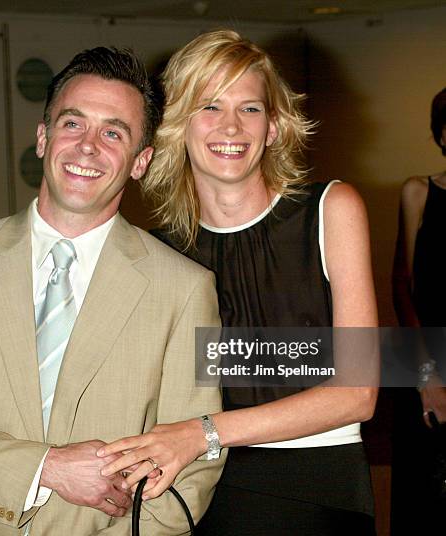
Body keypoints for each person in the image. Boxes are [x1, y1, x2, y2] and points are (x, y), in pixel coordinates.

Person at [0, 47, 225, 535]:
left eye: (113, 133)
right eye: (73, 124)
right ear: (43, 137)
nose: (87, 147)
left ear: (140, 162)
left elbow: (196, 461)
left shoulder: (186, 290)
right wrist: (46, 468)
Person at [98, 30, 379, 535]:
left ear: (273, 127)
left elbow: (358, 392)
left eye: (249, 108)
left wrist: (203, 432)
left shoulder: (331, 210)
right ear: (178, 126)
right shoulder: (156, 253)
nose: (231, 126)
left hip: (319, 489)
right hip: (202, 491)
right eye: (209, 106)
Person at [391, 87, 446, 533]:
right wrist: (426, 376)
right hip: (426, 355)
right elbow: (402, 286)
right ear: (441, 136)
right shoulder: (419, 192)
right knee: (424, 497)